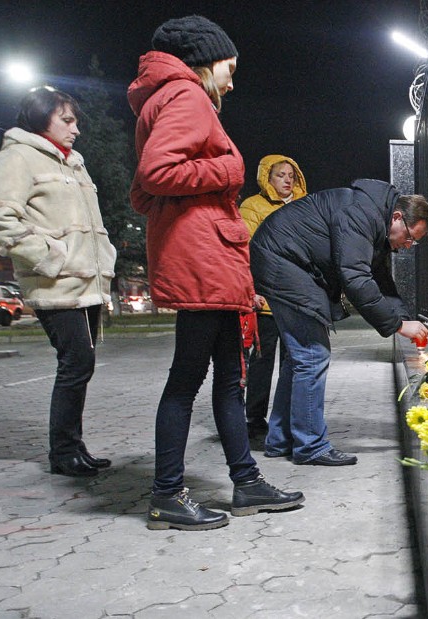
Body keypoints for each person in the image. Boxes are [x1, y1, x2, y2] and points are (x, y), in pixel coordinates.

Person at [128, 15, 303, 531]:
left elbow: (144, 191)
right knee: (187, 381)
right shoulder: (186, 96)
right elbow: (155, 174)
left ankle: (246, 482)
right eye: (229, 67)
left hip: (206, 254)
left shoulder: (169, 98)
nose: (232, 79)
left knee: (229, 379)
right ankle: (166, 494)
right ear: (205, 61)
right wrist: (227, 171)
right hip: (201, 257)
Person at [0, 86, 118, 477]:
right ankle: (63, 453)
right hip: (55, 284)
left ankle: (74, 447)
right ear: (42, 118)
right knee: (76, 363)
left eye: (76, 121)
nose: (76, 129)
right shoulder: (18, 157)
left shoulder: (72, 163)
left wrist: (103, 260)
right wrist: (49, 258)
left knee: (81, 365)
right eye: (67, 120)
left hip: (84, 284)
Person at [249, 179, 428, 466]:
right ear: (397, 217)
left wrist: (405, 319)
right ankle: (310, 446)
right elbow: (356, 278)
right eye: (410, 237)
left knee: (299, 358)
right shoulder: (361, 214)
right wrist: (397, 326)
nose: (408, 245)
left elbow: (380, 281)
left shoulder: (375, 219)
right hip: (282, 260)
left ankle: (280, 439)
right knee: (312, 355)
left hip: (283, 258)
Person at [239, 155, 308, 444]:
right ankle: (254, 418)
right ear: (267, 177)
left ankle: (290, 418)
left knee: (294, 362)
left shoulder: (306, 205)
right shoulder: (252, 206)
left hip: (296, 299)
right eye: (280, 175)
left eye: (291, 174)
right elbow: (247, 250)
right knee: (262, 362)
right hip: (266, 300)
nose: (287, 179)